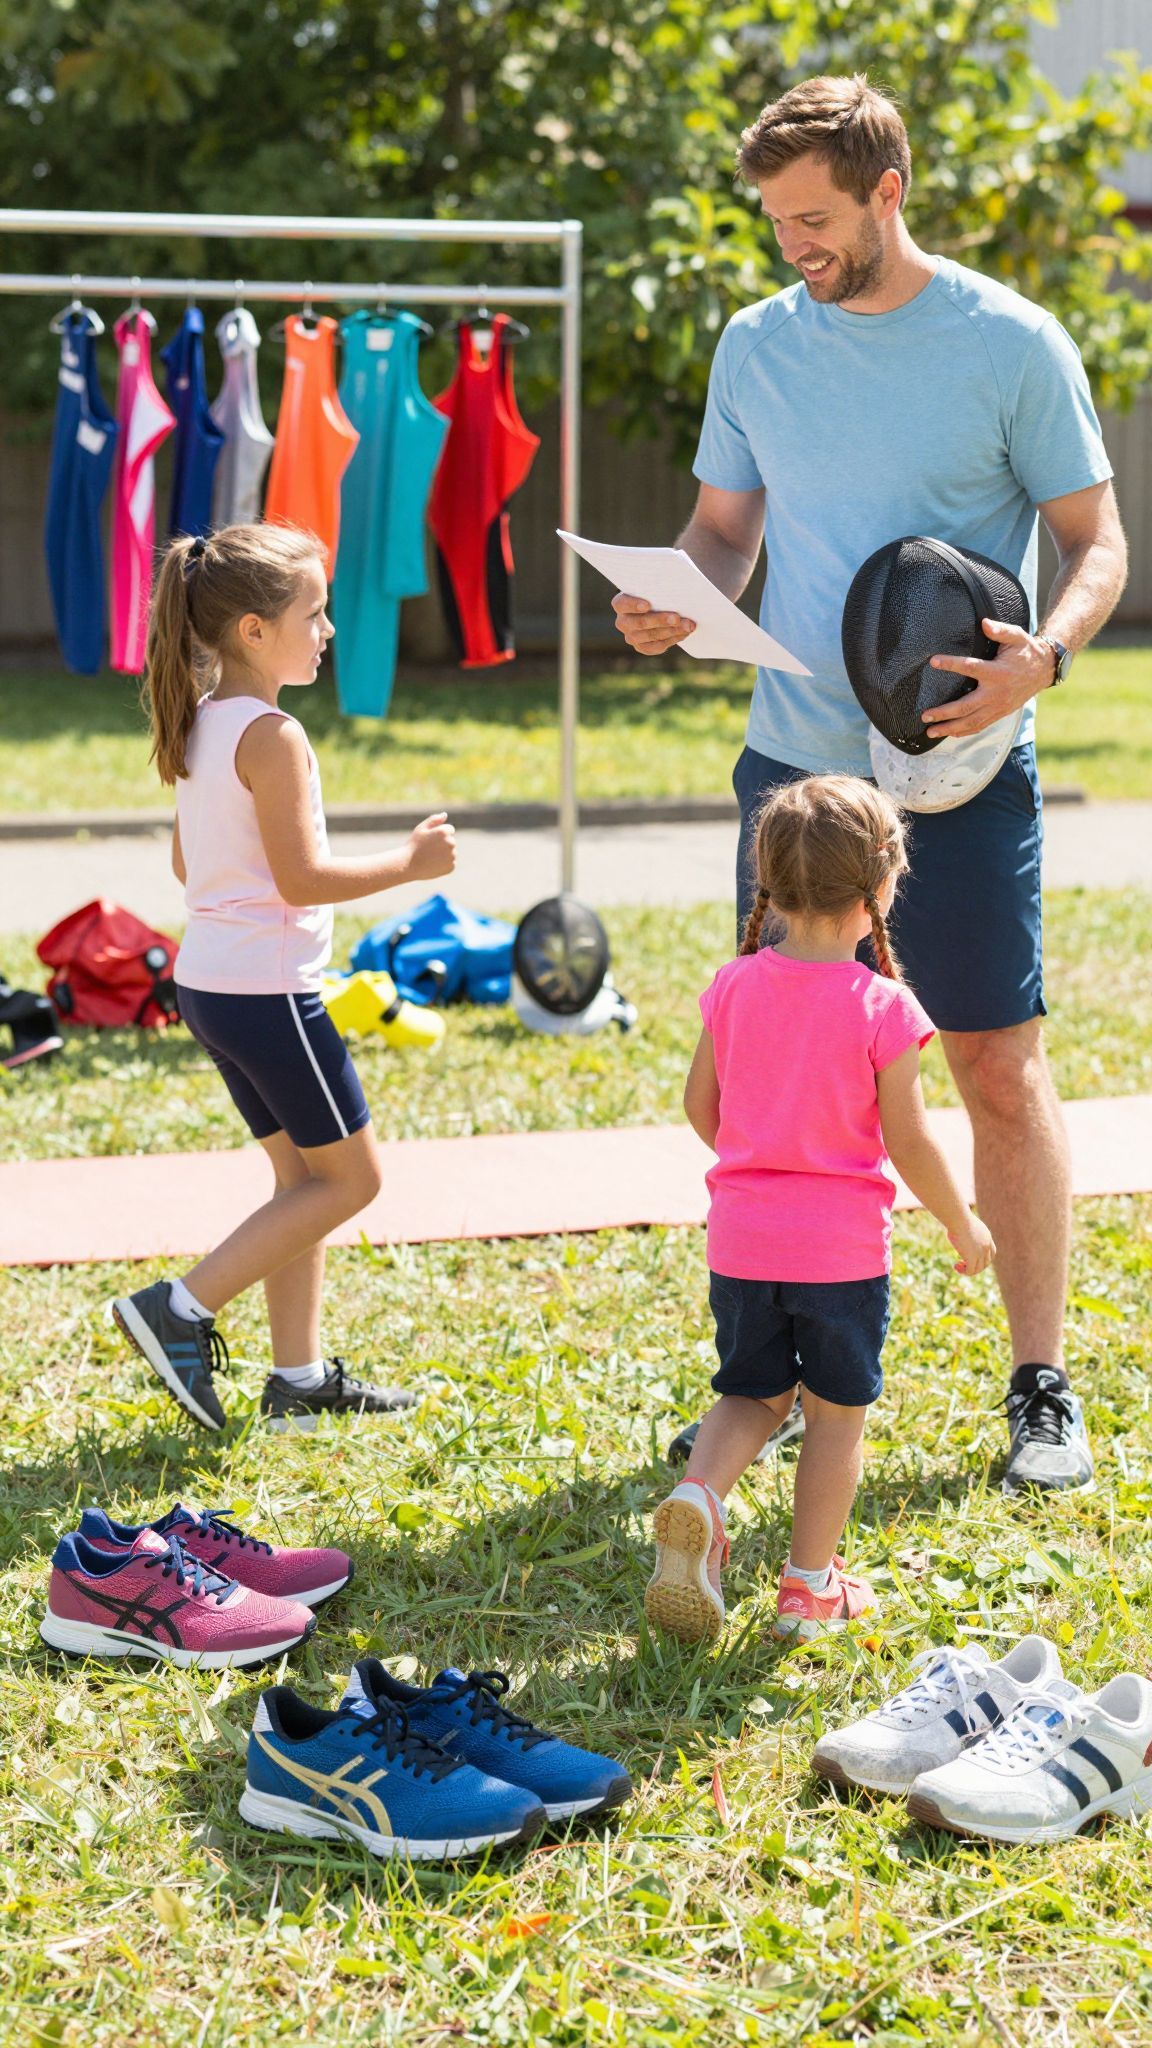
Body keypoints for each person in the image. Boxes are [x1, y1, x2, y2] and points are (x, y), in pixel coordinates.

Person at [614, 73, 1127, 1495]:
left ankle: (1040, 1384)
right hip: (795, 772)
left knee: (993, 1069)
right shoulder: (755, 345)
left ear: (890, 191)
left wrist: (1050, 660)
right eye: (777, 222)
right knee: (774, 1081)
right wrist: (675, 598)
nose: (795, 248)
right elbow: (724, 532)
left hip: (959, 774)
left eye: (818, 219)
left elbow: (1097, 542)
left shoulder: (1010, 344)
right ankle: (764, 1380)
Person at [111, 522, 456, 1432]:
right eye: (316, 612)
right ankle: (177, 1309)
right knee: (352, 1182)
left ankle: (297, 1382)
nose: (330, 629)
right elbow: (301, 877)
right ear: (255, 631)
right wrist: (411, 862)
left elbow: (191, 866)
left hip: (213, 988)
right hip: (270, 994)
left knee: (300, 1179)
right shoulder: (273, 734)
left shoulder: (198, 722)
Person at [645, 777, 995, 1644]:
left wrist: (762, 1157)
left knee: (751, 1394)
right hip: (839, 1258)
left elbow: (700, 1105)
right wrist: (962, 1220)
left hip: (741, 1243)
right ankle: (808, 1589)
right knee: (836, 1419)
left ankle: (699, 1495)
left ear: (769, 880)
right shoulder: (883, 1007)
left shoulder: (732, 986)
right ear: (881, 885)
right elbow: (910, 1142)